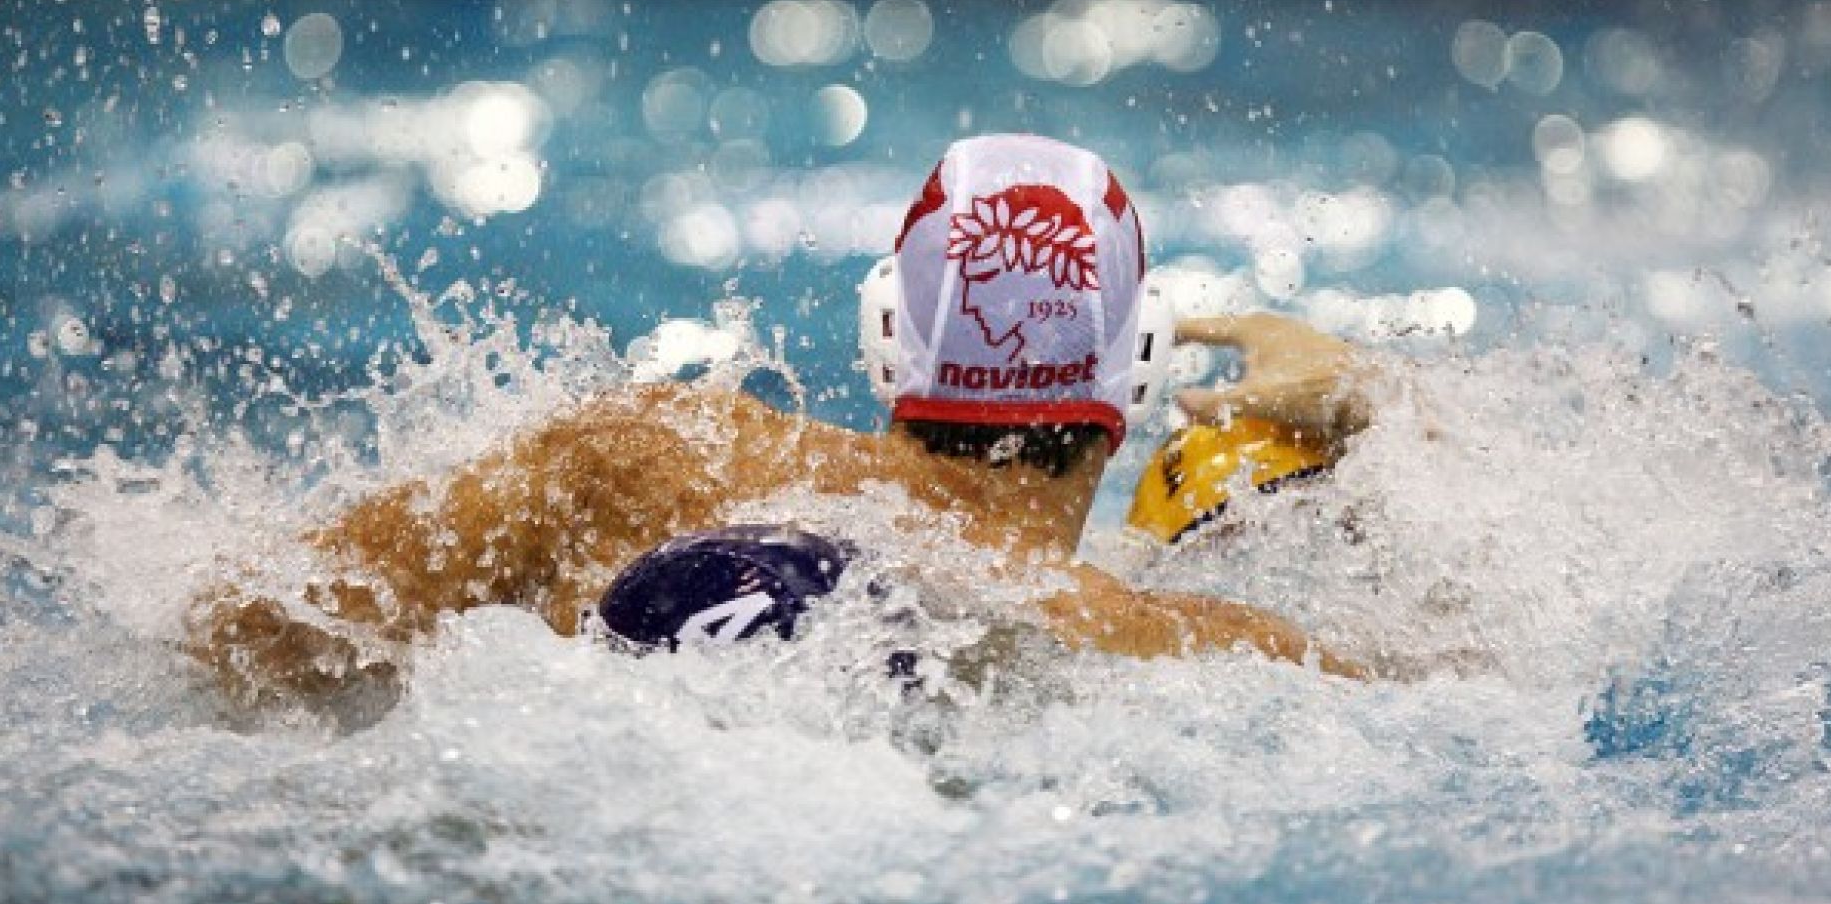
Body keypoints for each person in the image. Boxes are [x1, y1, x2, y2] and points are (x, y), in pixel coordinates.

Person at [185, 135, 1382, 724]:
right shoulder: (1168, 647)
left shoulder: (636, 456)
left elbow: (243, 628)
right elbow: (1455, 686)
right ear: (1136, 370)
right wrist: (1374, 397)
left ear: (885, 339)